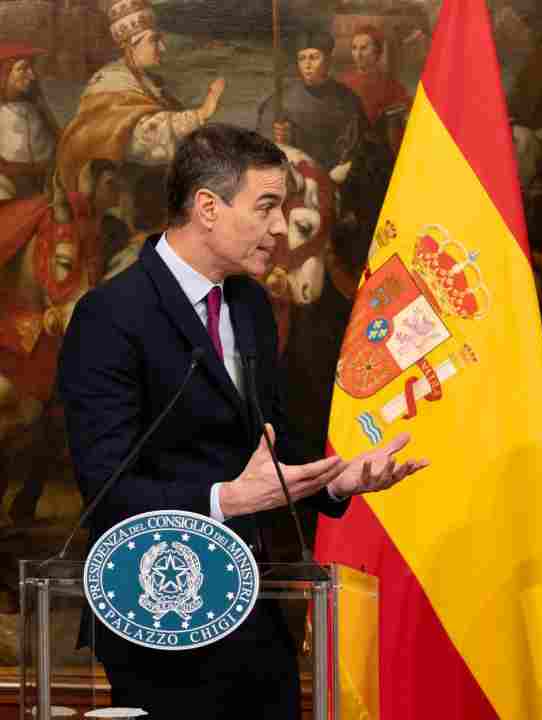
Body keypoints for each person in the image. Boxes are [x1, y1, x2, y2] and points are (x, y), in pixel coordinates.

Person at [56, 124, 428, 719]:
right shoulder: (111, 315)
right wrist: (223, 500)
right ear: (208, 207)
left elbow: (271, 442)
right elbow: (107, 487)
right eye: (266, 206)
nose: (280, 227)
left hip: (254, 613)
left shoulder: (250, 304)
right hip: (159, 613)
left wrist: (335, 479)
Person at [257, 29, 365, 171]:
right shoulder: (280, 100)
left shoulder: (347, 99)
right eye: (302, 58)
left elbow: (358, 147)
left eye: (314, 58)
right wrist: (279, 140)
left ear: (328, 61)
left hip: (338, 175)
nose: (307, 65)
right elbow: (263, 145)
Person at [0, 43, 59, 201]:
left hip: (47, 184)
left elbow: (58, 144)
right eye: (23, 69)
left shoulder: (37, 109)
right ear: (4, 73)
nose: (31, 76)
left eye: (31, 69)